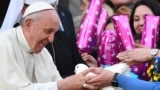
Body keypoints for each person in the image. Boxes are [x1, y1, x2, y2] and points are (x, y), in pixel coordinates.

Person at [0, 2, 97, 90]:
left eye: (54, 32)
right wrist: (64, 85)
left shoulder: (43, 52)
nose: (51, 40)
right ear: (28, 24)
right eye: (48, 31)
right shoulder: (4, 44)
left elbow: (57, 81)